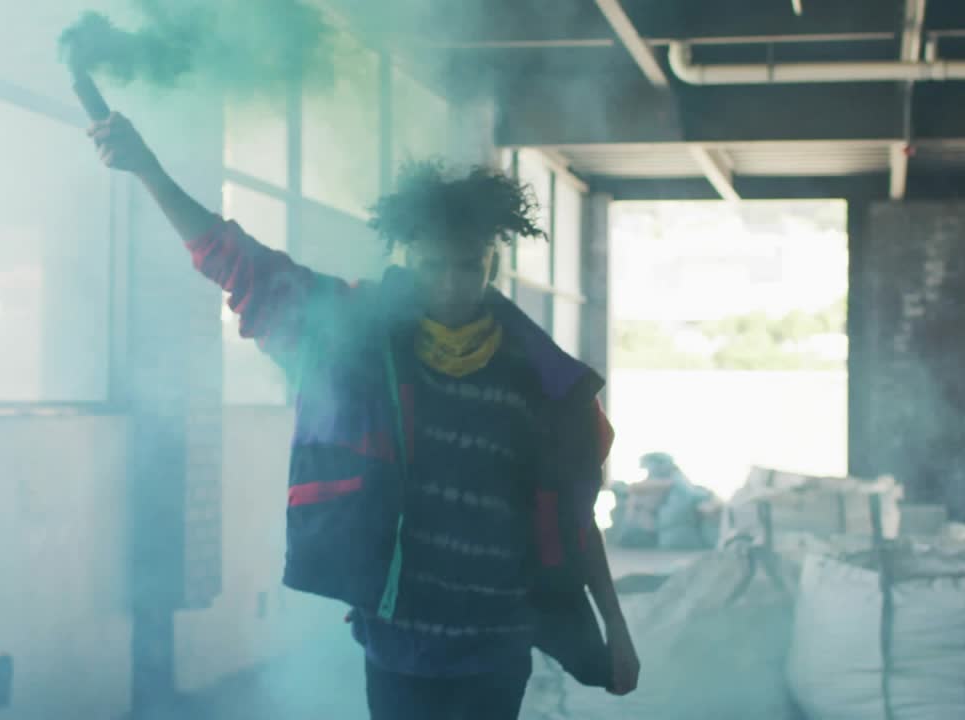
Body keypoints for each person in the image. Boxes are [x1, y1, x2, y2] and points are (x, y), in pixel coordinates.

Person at [89, 112, 639, 719]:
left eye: (468, 267)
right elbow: (239, 263)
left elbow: (571, 515)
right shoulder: (359, 342)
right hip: (397, 642)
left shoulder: (535, 378)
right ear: (408, 257)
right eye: (434, 267)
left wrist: (615, 626)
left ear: (491, 265)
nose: (452, 284)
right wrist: (148, 170)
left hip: (498, 643)